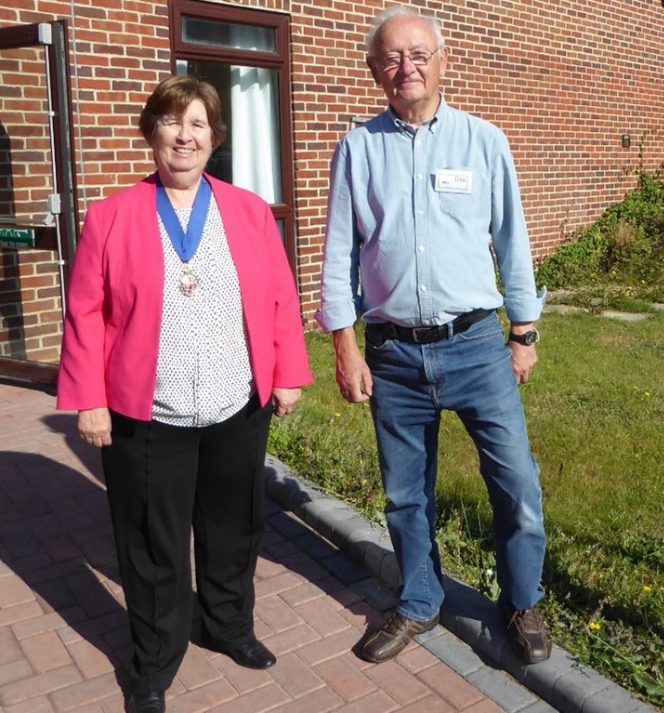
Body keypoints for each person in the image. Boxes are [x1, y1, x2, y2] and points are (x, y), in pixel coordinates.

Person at [57, 76, 313, 713]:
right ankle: (154, 660)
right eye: (172, 122)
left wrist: (287, 373)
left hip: (235, 403)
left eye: (197, 124)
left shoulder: (249, 212)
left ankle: (227, 626)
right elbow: (84, 311)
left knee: (234, 527)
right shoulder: (110, 216)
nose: (184, 135)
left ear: (214, 138)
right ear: (152, 133)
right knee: (151, 543)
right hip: (150, 410)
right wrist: (89, 398)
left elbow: (281, 295)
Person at [317, 5, 551, 666]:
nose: (406, 68)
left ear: (443, 60)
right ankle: (420, 600)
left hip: (477, 345)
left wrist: (524, 332)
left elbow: (514, 244)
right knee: (405, 493)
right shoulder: (359, 148)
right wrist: (345, 344)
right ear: (373, 70)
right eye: (391, 57)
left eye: (418, 54)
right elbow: (339, 254)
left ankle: (522, 599)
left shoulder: (483, 141)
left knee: (516, 484)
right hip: (393, 352)